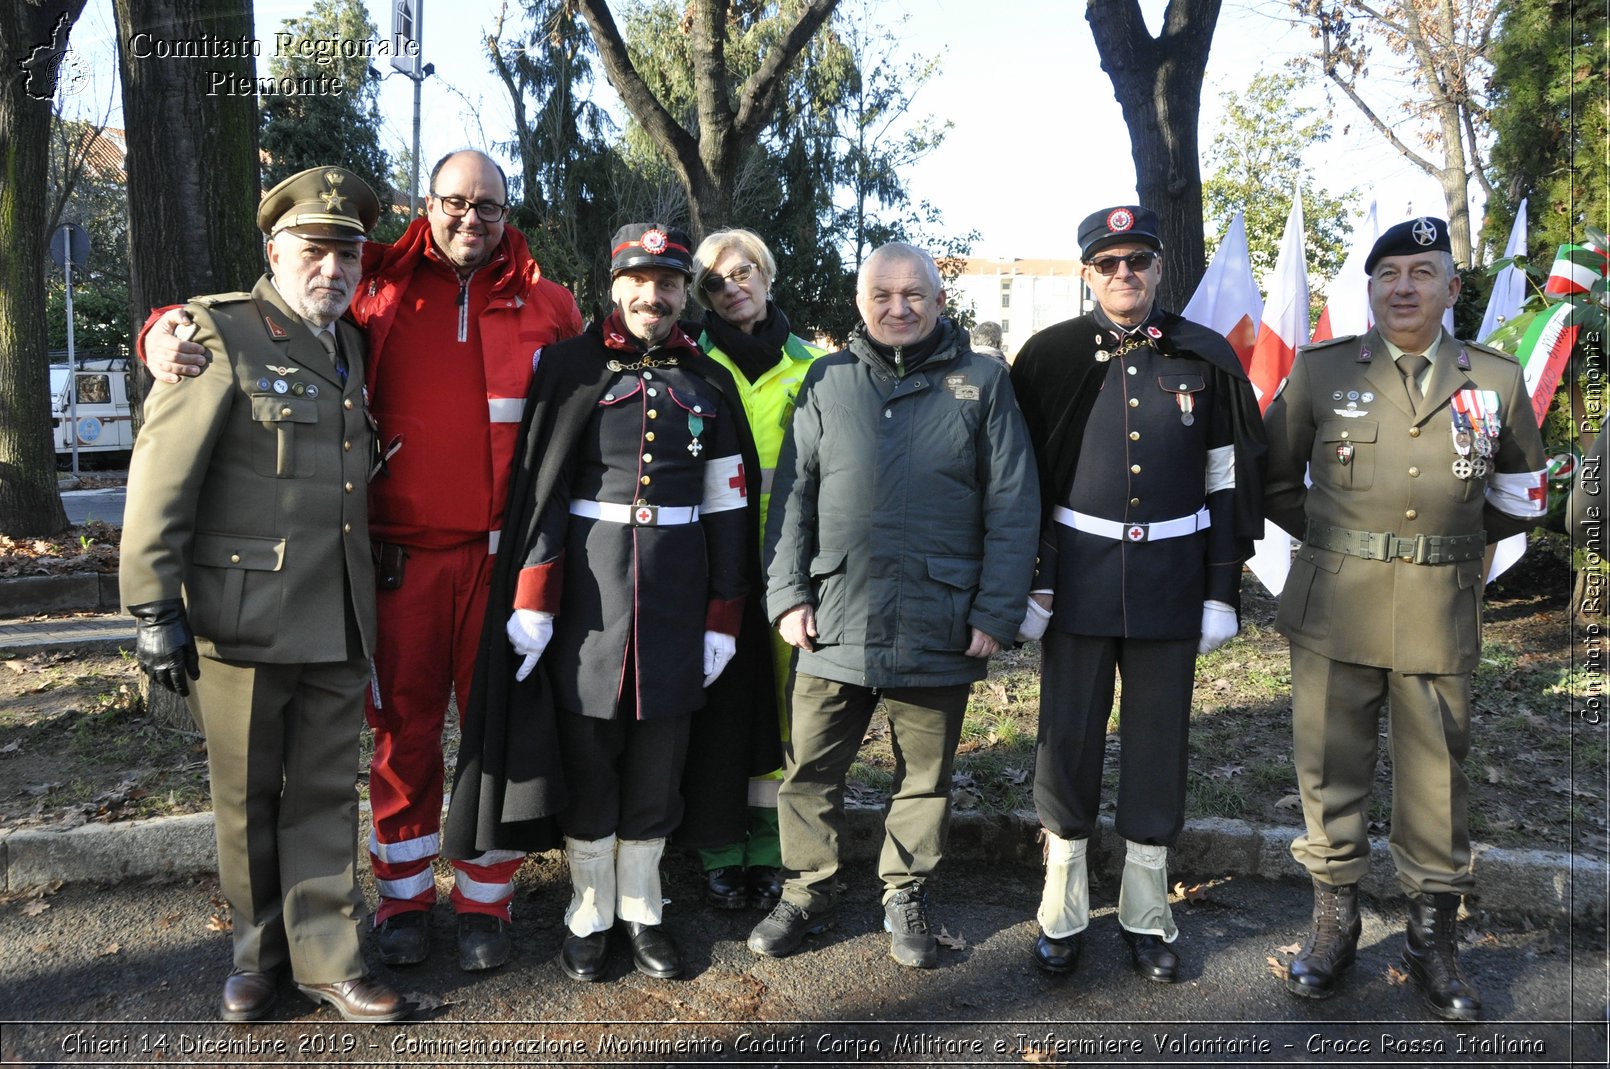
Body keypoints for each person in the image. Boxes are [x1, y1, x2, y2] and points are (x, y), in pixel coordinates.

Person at [142, 149, 584, 972]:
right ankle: (406, 898)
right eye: (455, 201)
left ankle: (486, 899)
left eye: (489, 205)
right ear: (429, 203)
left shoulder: (549, 304)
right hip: (397, 564)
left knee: (497, 736)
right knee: (401, 734)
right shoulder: (377, 280)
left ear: (508, 211)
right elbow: (272, 306)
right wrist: (161, 327)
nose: (471, 218)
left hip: (501, 563)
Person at [120, 167, 408, 1023]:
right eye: (315, 250)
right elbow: (161, 478)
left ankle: (329, 957)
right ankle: (255, 956)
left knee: (322, 793)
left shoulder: (349, 343)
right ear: (275, 250)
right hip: (239, 617)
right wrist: (152, 608)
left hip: (337, 612)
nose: (333, 268)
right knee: (245, 799)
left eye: (347, 253)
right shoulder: (216, 334)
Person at [444, 223, 760, 984]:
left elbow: (728, 503)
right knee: (589, 756)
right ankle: (588, 910)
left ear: (686, 293)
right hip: (586, 607)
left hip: (679, 607)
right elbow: (545, 494)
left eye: (671, 283)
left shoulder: (708, 380)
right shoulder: (570, 367)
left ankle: (644, 910)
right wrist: (533, 599)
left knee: (660, 761)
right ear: (613, 286)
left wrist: (723, 615)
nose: (655, 295)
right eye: (640, 281)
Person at [1263, 217, 1547, 1020]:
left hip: (1438, 606)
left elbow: (1525, 494)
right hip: (1336, 603)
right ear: (1371, 288)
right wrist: (1337, 544)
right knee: (1328, 766)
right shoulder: (1323, 373)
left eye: (1422, 272)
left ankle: (1431, 939)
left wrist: (1449, 545)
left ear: (1452, 289)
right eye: (1387, 273)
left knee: (1436, 781)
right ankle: (1334, 925)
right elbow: (1274, 476)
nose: (1403, 287)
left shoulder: (1492, 378)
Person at [748, 241, 1039, 969]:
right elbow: (794, 496)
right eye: (883, 295)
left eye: (914, 294)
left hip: (939, 616)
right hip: (833, 614)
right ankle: (807, 888)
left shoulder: (982, 382)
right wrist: (786, 595)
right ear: (860, 303)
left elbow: (1013, 502)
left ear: (941, 302)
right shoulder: (828, 378)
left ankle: (905, 888)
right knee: (810, 768)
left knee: (924, 776)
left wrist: (995, 610)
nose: (898, 307)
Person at [1009, 206, 1266, 984]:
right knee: (1068, 740)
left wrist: (1222, 588)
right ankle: (1061, 909)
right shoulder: (1049, 356)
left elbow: (1228, 479)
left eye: (1138, 261)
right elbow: (1025, 481)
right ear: (1087, 272)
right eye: (1109, 263)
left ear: (1160, 269)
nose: (1125, 275)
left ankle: (1147, 912)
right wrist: (1038, 577)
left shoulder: (1205, 355)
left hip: (1172, 584)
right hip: (1078, 581)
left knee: (1159, 745)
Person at [680, 229, 826, 914]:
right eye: (715, 281)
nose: (733, 286)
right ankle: (718, 848)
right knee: (718, 705)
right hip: (713, 560)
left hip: (794, 561)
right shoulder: (691, 364)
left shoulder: (816, 368)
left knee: (788, 707)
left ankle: (772, 847)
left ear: (767, 275)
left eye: (743, 272)